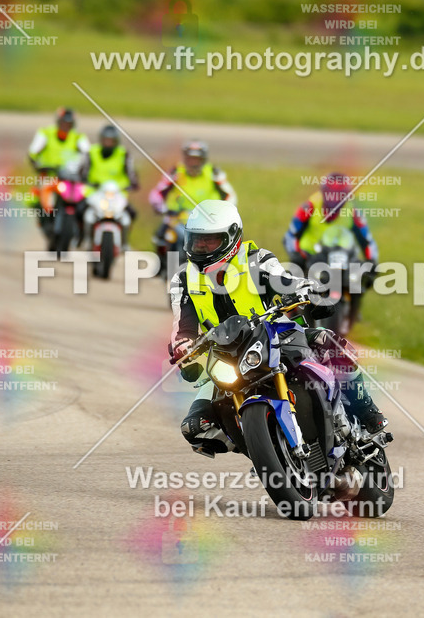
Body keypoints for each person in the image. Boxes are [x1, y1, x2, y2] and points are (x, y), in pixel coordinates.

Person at [168, 199, 387, 455]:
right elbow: (181, 327)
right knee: (195, 427)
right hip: (226, 358)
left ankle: (367, 410)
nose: (202, 246)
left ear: (231, 237)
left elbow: (285, 280)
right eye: (196, 240)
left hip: (276, 336)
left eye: (210, 240)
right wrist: (183, 349)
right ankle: (267, 450)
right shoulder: (183, 279)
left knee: (330, 344)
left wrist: (308, 290)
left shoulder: (255, 259)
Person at [283, 172, 379, 324]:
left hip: (342, 254)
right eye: (331, 195)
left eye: (340, 196)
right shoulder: (309, 206)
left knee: (364, 275)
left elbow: (367, 240)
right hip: (311, 254)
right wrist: (296, 253)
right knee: (294, 277)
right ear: (323, 193)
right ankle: (293, 313)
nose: (334, 201)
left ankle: (354, 307)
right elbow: (291, 235)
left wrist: (372, 259)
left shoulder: (353, 212)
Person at [150, 141, 236, 272]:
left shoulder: (213, 173)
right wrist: (161, 207)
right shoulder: (176, 172)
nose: (193, 163)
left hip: (208, 221)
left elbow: (230, 195)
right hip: (177, 218)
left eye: (197, 159)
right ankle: (163, 266)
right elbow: (157, 193)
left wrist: (224, 213)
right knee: (162, 236)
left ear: (203, 160)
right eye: (190, 159)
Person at [25, 108, 91, 220]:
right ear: (58, 122)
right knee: (36, 198)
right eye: (64, 123)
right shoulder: (46, 133)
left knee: (87, 197)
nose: (66, 126)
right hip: (50, 175)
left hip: (70, 178)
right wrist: (37, 164)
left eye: (69, 123)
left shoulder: (77, 137)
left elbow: (89, 154)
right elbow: (33, 152)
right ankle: (43, 218)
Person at [82, 124, 138, 246]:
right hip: (95, 193)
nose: (108, 143)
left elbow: (131, 174)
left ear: (116, 141)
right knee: (80, 211)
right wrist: (87, 182)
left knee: (131, 213)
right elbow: (83, 172)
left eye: (110, 141)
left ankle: (125, 242)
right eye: (105, 140)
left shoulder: (123, 154)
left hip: (117, 195)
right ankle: (84, 238)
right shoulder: (92, 152)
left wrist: (133, 184)